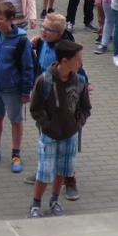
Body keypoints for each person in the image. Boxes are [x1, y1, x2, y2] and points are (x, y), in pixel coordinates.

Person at [27, 39, 91, 218]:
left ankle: (54, 200)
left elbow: (86, 107)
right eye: (77, 60)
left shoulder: (79, 82)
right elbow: (35, 108)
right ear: (64, 61)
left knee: (63, 169)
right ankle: (36, 204)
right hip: (49, 136)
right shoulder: (44, 81)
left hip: (70, 135)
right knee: (44, 171)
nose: (80, 63)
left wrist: (78, 124)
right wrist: (46, 125)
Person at [0, 1, 33, 172]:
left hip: (13, 89)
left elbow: (28, 68)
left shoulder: (22, 41)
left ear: (11, 20)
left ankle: (16, 154)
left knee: (16, 121)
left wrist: (25, 91)